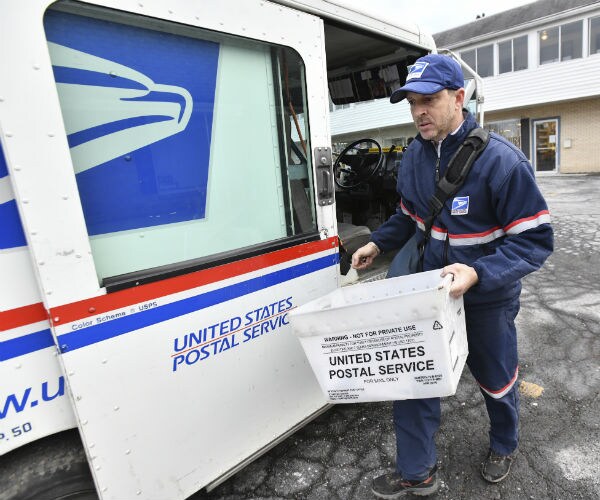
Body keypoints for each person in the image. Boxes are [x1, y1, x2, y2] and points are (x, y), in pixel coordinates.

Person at [351, 54, 553, 498]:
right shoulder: (413, 158)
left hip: (486, 295)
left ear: (459, 98)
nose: (419, 111)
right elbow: (409, 215)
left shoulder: (502, 162)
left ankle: (504, 443)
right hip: (430, 293)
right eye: (411, 103)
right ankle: (417, 472)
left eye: (429, 100)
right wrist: (378, 242)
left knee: (495, 376)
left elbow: (534, 242)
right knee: (415, 376)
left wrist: (478, 273)